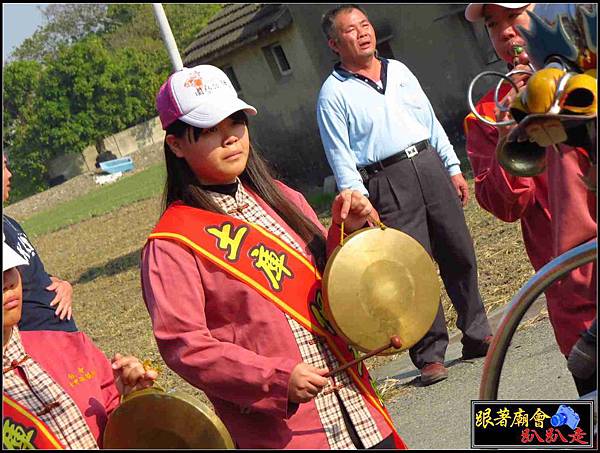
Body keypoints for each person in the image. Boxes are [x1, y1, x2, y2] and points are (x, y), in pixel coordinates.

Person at [140, 64, 407, 449]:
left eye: (235, 122)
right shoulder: (171, 243)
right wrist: (275, 378)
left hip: (358, 409)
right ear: (176, 144)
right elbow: (186, 345)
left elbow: (329, 280)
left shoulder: (284, 199)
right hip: (287, 432)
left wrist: (344, 231)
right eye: (209, 129)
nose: (229, 138)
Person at [316, 4, 492, 386]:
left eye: (364, 24)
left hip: (427, 163)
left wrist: (451, 167)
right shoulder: (333, 94)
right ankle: (429, 353)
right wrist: (360, 201)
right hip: (386, 180)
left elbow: (428, 121)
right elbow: (340, 155)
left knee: (458, 249)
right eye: (350, 29)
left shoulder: (399, 71)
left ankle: (478, 333)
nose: (362, 32)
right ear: (334, 43)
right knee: (411, 266)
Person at [463, 3, 597, 396]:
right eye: (494, 24)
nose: (506, 31)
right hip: (569, 290)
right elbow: (505, 205)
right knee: (579, 421)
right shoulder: (487, 112)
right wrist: (511, 130)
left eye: (514, 16)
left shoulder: (586, 76)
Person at [2, 237, 157, 449]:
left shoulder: (70, 345)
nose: (7, 282)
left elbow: (120, 431)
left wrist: (131, 400)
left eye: (8, 268)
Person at [3, 153, 76, 331]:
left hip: (62, 335)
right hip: (36, 339)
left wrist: (63, 285)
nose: (10, 174)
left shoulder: (9, 223)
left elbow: (32, 275)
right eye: (3, 167)